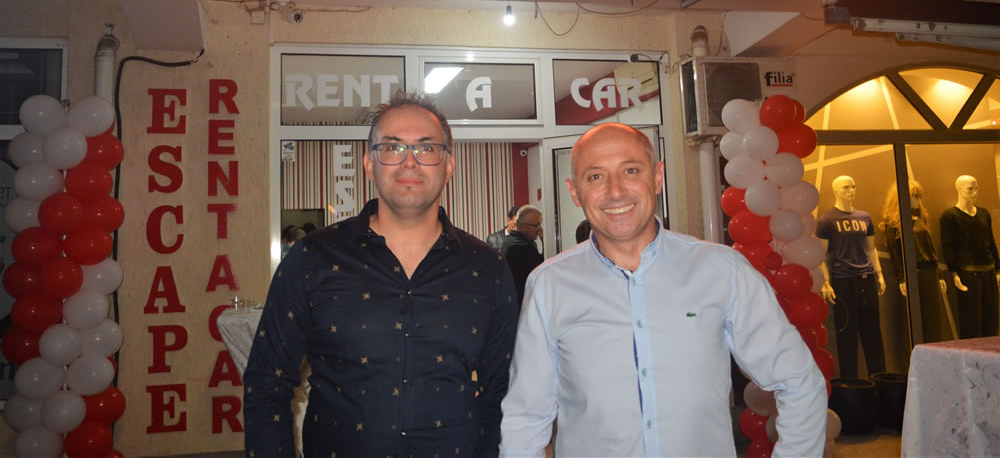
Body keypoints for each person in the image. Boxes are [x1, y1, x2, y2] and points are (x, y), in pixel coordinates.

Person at [500, 123, 826, 457]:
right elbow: (526, 417)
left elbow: (800, 382)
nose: (615, 191)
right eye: (595, 176)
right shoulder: (550, 284)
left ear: (657, 177)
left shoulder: (721, 270)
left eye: (630, 170)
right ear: (574, 192)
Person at [244, 91, 518, 457]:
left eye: (426, 148)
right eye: (392, 148)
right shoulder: (312, 258)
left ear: (449, 166)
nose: (409, 162)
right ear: (369, 164)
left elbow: (503, 393)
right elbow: (266, 384)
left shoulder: (487, 268)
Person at [817, 175, 886, 378]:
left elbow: (871, 249)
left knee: (873, 333)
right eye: (846, 187)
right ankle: (850, 383)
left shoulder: (864, 217)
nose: (851, 190)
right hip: (843, 281)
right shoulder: (827, 220)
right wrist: (826, 282)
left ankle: (880, 379)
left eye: (853, 186)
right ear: (836, 190)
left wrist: (879, 273)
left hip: (866, 278)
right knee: (847, 337)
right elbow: (821, 255)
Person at [881, 181, 949, 342]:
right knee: (911, 320)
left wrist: (938, 275)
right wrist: (901, 278)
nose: (919, 200)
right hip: (911, 272)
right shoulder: (893, 222)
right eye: (915, 196)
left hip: (928, 272)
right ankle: (913, 355)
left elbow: (930, 249)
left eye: (920, 196)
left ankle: (934, 352)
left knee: (933, 318)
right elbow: (895, 253)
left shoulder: (920, 218)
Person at [940, 175, 999, 338]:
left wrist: (997, 269)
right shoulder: (950, 216)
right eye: (970, 189)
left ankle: (991, 353)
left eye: (976, 188)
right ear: (959, 189)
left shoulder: (984, 214)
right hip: (968, 273)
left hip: (989, 271)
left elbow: (991, 241)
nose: (974, 192)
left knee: (991, 321)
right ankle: (972, 354)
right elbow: (948, 245)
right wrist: (954, 273)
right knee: (970, 321)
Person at [500, 205, 544, 308]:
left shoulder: (510, 240)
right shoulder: (521, 246)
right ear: (523, 227)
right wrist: (544, 241)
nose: (540, 229)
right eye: (537, 225)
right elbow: (542, 269)